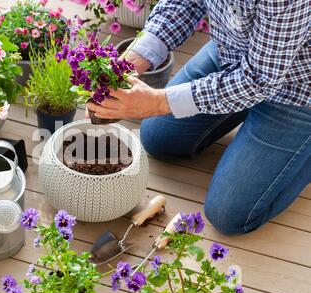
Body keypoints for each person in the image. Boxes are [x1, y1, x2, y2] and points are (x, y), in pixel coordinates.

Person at [86, 0, 311, 235]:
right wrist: (131, 62)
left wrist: (158, 102)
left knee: (228, 215)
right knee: (157, 138)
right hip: (232, 51)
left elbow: (258, 80)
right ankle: (237, 103)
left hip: (297, 89)